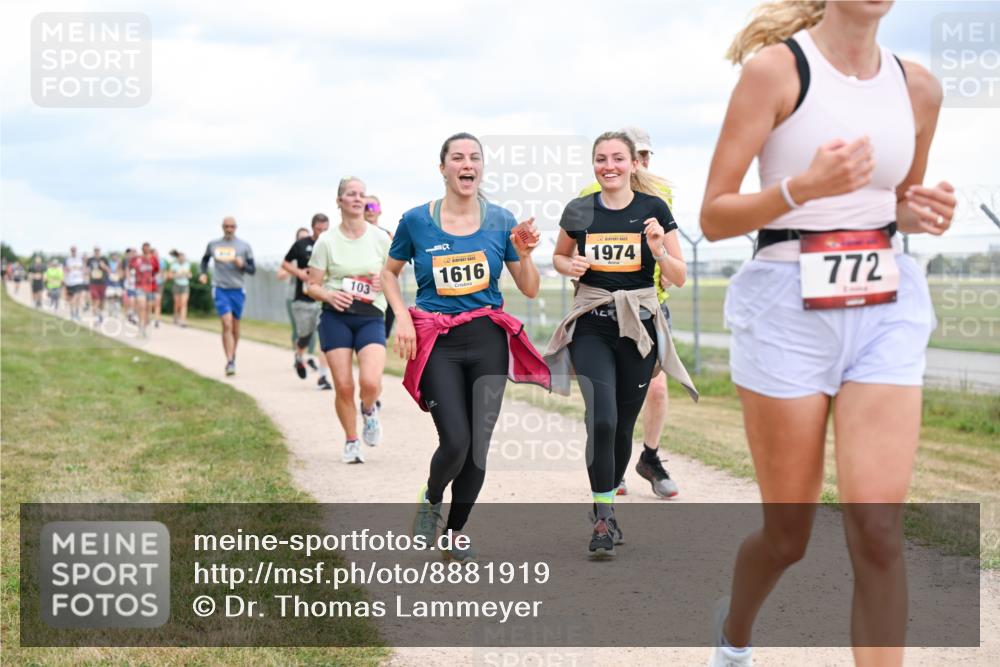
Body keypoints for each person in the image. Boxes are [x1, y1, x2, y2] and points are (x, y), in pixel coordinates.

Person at [699, 2, 954, 665]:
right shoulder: (776, 71)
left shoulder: (919, 87)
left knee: (877, 531)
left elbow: (897, 203)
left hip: (885, 300)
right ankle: (733, 635)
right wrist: (799, 188)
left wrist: (921, 213)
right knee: (788, 535)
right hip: (787, 305)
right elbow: (716, 215)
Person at [382, 133, 550, 563]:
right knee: (455, 439)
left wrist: (525, 255)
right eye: (457, 157)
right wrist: (402, 316)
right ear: (443, 169)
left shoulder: (500, 220)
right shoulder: (416, 221)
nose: (466, 164)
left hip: (487, 338)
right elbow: (388, 274)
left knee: (478, 444)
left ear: (481, 168)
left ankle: (455, 532)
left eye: (474, 157)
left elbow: (529, 290)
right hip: (438, 339)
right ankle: (432, 498)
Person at [548, 131, 695, 558]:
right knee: (603, 419)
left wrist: (658, 252)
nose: (608, 166)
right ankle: (603, 515)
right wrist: (567, 264)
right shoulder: (579, 209)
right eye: (600, 159)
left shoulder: (654, 209)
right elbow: (559, 256)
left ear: (634, 164)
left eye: (617, 158)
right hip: (592, 323)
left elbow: (679, 275)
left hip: (639, 328)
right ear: (593, 164)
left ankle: (605, 498)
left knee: (623, 426)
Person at [579, 125, 685, 499]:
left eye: (643, 156)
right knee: (611, 405)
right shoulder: (590, 197)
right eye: (631, 155)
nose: (637, 163)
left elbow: (672, 254)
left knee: (655, 389)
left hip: (651, 305)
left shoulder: (661, 195)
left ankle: (650, 458)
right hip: (604, 310)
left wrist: (665, 266)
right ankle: (612, 468)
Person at [306, 179, 389, 463]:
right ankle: (352, 441)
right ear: (339, 201)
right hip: (336, 317)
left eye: (361, 194)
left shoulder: (380, 238)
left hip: (371, 316)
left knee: (369, 381)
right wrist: (328, 296)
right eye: (350, 194)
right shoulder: (326, 241)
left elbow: (393, 274)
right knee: (343, 385)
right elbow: (311, 285)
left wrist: (384, 278)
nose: (357, 198)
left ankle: (369, 411)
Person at [199, 217, 256, 376]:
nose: (229, 229)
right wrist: (203, 273)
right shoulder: (214, 244)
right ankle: (230, 361)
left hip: (237, 289)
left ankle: (233, 354)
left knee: (236, 327)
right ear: (222, 227)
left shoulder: (244, 246)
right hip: (220, 288)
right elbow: (204, 260)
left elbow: (252, 269)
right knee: (227, 323)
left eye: (231, 226)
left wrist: (242, 264)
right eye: (226, 226)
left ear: (236, 227)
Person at [282, 216, 333, 390]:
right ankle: (299, 355)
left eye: (325, 229)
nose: (322, 233)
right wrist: (300, 273)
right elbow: (285, 263)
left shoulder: (332, 243)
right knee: (305, 335)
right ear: (313, 228)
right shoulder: (302, 244)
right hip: (303, 299)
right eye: (319, 229)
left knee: (324, 336)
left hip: (324, 298)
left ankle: (323, 376)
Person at [365, 195, 398, 339]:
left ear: (380, 211)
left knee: (384, 331)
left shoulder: (388, 235)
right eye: (367, 207)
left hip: (384, 284)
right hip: (364, 285)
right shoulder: (357, 234)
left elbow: (396, 262)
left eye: (374, 207)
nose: (370, 210)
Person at [129, 243, 159, 337]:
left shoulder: (154, 259)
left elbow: (157, 271)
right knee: (141, 306)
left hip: (151, 287)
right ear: (142, 249)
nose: (146, 250)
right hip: (140, 286)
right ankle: (140, 328)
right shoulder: (137, 259)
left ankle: (144, 327)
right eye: (145, 248)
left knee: (148, 309)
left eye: (148, 248)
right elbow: (130, 267)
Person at [167, 250, 192, 327]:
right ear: (178, 258)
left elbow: (190, 275)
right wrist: (177, 274)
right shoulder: (174, 265)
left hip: (185, 285)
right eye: (180, 257)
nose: (182, 259)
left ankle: (183, 320)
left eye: (183, 257)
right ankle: (175, 318)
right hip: (177, 285)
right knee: (177, 303)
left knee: (184, 303)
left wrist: (187, 274)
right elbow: (169, 276)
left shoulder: (187, 265)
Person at [87, 247, 111, 325]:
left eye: (98, 250)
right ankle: (95, 318)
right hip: (93, 283)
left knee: (102, 301)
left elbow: (109, 270)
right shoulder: (90, 260)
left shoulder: (104, 259)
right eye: (95, 250)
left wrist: (104, 266)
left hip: (102, 282)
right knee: (96, 300)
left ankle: (100, 314)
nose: (97, 252)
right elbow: (87, 269)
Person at [63, 246, 86, 320]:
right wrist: (64, 279)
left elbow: (84, 268)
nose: (73, 252)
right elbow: (64, 270)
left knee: (77, 298)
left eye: (75, 250)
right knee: (71, 299)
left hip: (79, 281)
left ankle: (76, 313)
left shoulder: (80, 259)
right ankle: (72, 313)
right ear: (70, 251)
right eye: (72, 250)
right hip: (70, 282)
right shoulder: (67, 260)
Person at [106, 252, 124, 318]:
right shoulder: (109, 263)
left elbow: (121, 273)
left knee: (117, 297)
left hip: (118, 283)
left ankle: (117, 312)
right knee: (111, 297)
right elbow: (108, 271)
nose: (115, 257)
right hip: (110, 283)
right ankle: (110, 310)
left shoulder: (120, 263)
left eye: (116, 256)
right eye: (113, 256)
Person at [152, 248, 165, 328]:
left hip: (159, 284)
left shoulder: (161, 262)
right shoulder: (149, 261)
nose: (156, 255)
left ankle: (157, 320)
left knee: (158, 302)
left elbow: (162, 273)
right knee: (150, 302)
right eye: (155, 254)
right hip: (150, 285)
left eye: (157, 253)